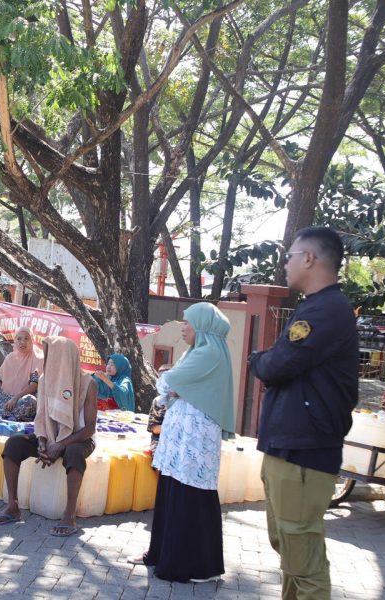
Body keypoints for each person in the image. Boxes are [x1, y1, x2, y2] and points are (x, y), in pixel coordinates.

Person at [248, 226, 358, 600]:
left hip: (304, 451)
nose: (285, 264)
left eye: (290, 256)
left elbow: (278, 364)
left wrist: (258, 360)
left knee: (303, 558)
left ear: (309, 258)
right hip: (290, 447)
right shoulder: (316, 306)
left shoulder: (326, 310)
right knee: (290, 551)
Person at [133, 304, 235, 583]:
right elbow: (169, 385)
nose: (183, 327)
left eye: (188, 322)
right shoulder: (196, 352)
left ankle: (197, 566)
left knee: (190, 497)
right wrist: (176, 387)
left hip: (195, 440)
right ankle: (163, 554)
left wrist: (176, 387)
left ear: (202, 325)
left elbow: (167, 383)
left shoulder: (209, 353)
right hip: (182, 439)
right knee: (174, 493)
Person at [0, 336, 98, 537]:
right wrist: (42, 442)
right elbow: (40, 418)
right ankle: (12, 506)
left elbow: (90, 428)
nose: (48, 360)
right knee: (14, 444)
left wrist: (61, 445)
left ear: (65, 357)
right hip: (49, 436)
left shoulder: (88, 383)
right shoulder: (45, 380)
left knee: (74, 453)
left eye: (52, 355)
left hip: (78, 438)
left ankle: (69, 515)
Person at [0, 326, 42, 421]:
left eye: (26, 338)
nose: (22, 342)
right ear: (15, 341)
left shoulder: (37, 358)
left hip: (19, 401)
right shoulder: (10, 357)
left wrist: (15, 398)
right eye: (19, 339)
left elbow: (33, 386)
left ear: (32, 340)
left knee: (30, 401)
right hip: (5, 401)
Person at [147, 364, 173, 455]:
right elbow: (154, 428)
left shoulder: (183, 402)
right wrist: (173, 429)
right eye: (159, 378)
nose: (162, 382)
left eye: (165, 378)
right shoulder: (158, 401)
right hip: (160, 439)